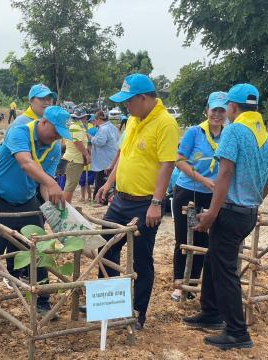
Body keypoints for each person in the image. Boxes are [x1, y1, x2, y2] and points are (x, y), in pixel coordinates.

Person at [184, 84, 268, 350]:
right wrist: (253, 202)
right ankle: (210, 312)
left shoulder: (234, 130)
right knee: (214, 260)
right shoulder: (266, 137)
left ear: (233, 107)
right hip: (246, 212)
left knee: (225, 272)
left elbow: (224, 174)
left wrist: (212, 212)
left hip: (229, 210)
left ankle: (237, 332)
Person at [96, 74, 179, 329]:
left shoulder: (165, 124)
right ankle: (108, 306)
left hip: (145, 204)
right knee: (106, 249)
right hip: (120, 199)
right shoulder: (133, 119)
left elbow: (167, 164)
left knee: (141, 259)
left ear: (143, 98)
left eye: (128, 101)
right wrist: (109, 182)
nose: (125, 106)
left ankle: (137, 312)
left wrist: (157, 202)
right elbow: (123, 153)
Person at [0, 105, 71, 320]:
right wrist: (53, 183)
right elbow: (26, 163)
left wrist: (54, 207)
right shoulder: (19, 131)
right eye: (55, 132)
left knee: (37, 248)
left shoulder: (54, 148)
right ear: (44, 122)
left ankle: (42, 302)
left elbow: (44, 185)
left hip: (28, 201)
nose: (56, 137)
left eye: (60, 135)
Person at [171, 91, 227, 302]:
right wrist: (203, 180)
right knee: (184, 238)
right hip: (188, 191)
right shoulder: (195, 133)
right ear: (207, 111)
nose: (217, 115)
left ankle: (192, 283)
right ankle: (179, 284)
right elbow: (179, 160)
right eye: (214, 110)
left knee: (203, 240)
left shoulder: (228, 135)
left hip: (212, 196)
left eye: (222, 111)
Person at [89, 110, 120, 203]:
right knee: (110, 181)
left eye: (95, 119)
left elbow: (100, 142)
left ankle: (100, 199)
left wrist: (91, 138)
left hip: (104, 159)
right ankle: (108, 199)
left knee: (101, 180)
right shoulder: (113, 127)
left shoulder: (103, 129)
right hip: (111, 157)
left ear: (99, 119)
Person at [63, 109, 91, 203]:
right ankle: (66, 207)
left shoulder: (76, 126)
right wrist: (87, 155)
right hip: (74, 159)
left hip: (75, 159)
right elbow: (77, 142)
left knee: (71, 184)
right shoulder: (76, 127)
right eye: (85, 117)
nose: (86, 119)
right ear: (80, 117)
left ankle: (66, 206)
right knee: (71, 185)